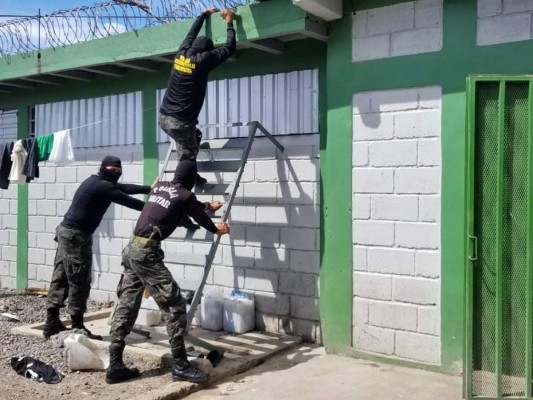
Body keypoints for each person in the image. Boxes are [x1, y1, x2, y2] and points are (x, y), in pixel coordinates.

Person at [106, 160, 230, 384]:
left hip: (132, 249)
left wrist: (207, 206)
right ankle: (180, 365)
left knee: (127, 302)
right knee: (175, 305)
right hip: (146, 254)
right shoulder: (184, 194)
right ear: (192, 180)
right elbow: (195, 214)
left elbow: (181, 205)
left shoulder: (162, 186)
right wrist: (215, 228)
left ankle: (115, 365)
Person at [43, 156, 156, 340]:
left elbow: (123, 188)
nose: (116, 174)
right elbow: (129, 201)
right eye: (112, 170)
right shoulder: (103, 186)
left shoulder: (95, 181)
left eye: (118, 172)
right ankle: (77, 326)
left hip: (66, 232)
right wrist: (157, 211)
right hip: (76, 236)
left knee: (61, 275)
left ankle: (51, 321)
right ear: (103, 168)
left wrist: (148, 189)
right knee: (80, 279)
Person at [159, 7, 236, 184]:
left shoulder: (182, 51)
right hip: (180, 122)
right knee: (187, 157)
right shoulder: (203, 60)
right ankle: (183, 184)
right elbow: (230, 48)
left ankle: (190, 171)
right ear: (206, 52)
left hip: (164, 117)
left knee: (195, 137)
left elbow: (191, 33)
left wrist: (203, 15)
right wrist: (229, 22)